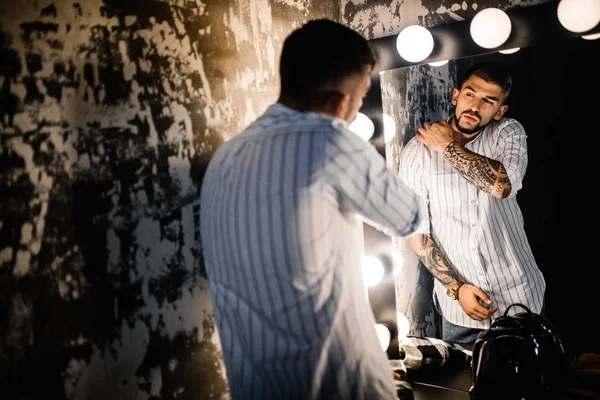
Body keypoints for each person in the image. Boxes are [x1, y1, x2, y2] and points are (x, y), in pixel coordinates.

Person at [199, 19, 422, 400]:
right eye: (360, 96)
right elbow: (408, 216)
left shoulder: (225, 157)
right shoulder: (331, 141)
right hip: (340, 386)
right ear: (339, 102)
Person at [398, 62, 546, 345]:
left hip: (519, 298)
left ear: (500, 111)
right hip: (460, 310)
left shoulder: (507, 133)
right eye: (470, 94)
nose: (475, 106)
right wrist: (457, 288)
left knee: (533, 383)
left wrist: (447, 147)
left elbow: (502, 185)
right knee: (464, 387)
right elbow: (416, 232)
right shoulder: (417, 153)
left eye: (488, 101)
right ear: (455, 96)